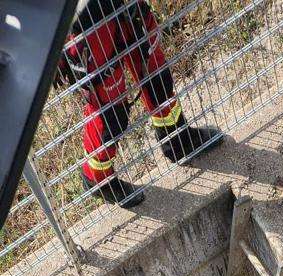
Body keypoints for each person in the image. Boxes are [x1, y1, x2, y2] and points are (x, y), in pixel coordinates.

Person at [60, 1, 222, 209]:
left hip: (124, 5)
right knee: (110, 114)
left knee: (156, 77)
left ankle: (177, 139)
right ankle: (97, 179)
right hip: (87, 22)